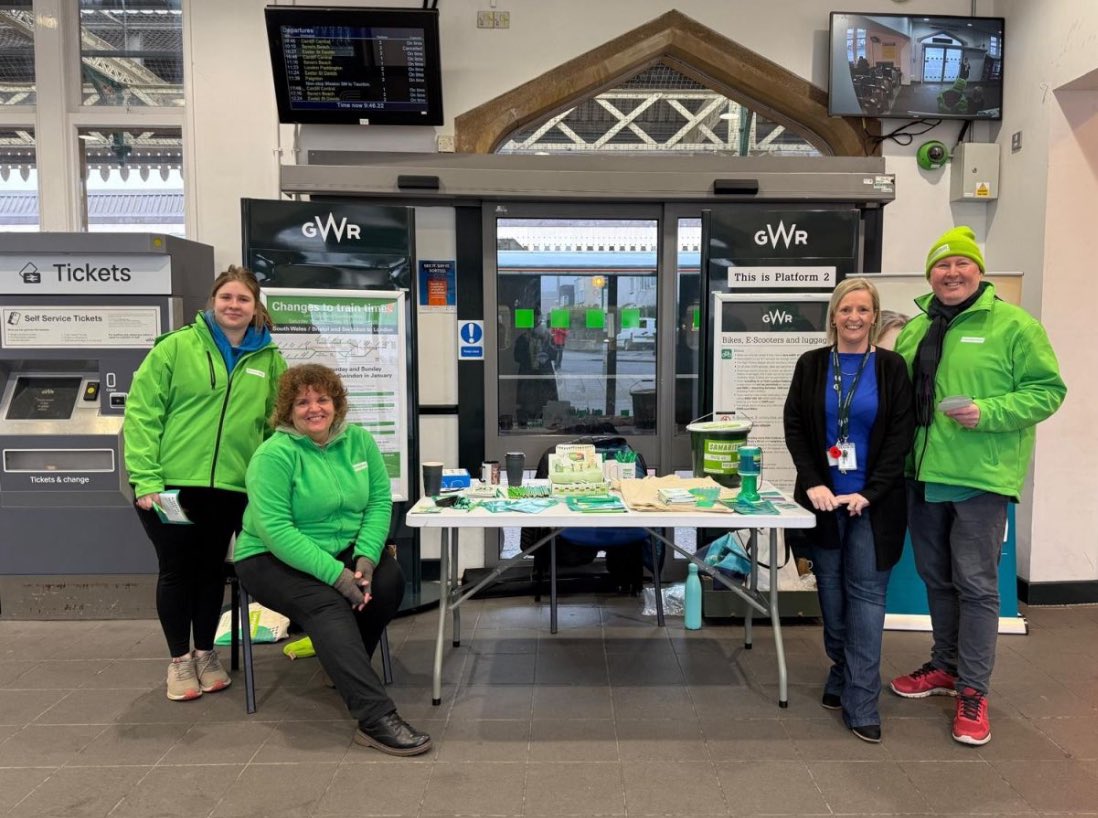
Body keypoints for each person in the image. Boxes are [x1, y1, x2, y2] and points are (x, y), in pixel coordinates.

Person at [889, 227, 1066, 746]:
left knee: (977, 587)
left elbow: (1047, 391)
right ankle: (943, 666)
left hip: (979, 480)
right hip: (920, 476)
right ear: (930, 275)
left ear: (979, 271)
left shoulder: (1014, 325)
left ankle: (973, 690)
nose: (952, 273)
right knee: (936, 579)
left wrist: (988, 412)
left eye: (962, 264)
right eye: (941, 266)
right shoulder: (916, 328)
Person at [233, 364, 431, 756]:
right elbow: (276, 531)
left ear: (336, 404)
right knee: (327, 604)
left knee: (389, 582)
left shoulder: (359, 441)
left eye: (322, 399)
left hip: (343, 549)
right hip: (269, 555)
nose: (314, 409)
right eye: (302, 402)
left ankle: (340, 662)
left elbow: (377, 503)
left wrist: (366, 560)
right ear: (287, 410)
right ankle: (375, 718)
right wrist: (338, 576)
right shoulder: (273, 455)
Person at [124, 266, 285, 701]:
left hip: (232, 490)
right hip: (171, 486)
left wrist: (266, 485)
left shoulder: (269, 359)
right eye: (226, 297)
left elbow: (275, 428)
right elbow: (142, 415)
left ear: (256, 308)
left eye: (243, 300)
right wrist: (145, 479)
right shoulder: (176, 348)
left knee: (213, 570)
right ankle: (180, 661)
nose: (234, 306)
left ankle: (206, 653)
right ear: (213, 301)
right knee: (177, 571)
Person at [783, 277, 914, 744]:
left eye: (863, 310)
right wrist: (814, 481)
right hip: (823, 501)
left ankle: (861, 700)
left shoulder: (892, 368)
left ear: (874, 316)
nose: (854, 318)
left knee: (865, 601)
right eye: (845, 309)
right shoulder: (812, 364)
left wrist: (871, 491)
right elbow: (796, 426)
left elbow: (901, 434)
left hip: (871, 506)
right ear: (833, 316)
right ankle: (840, 669)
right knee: (832, 598)